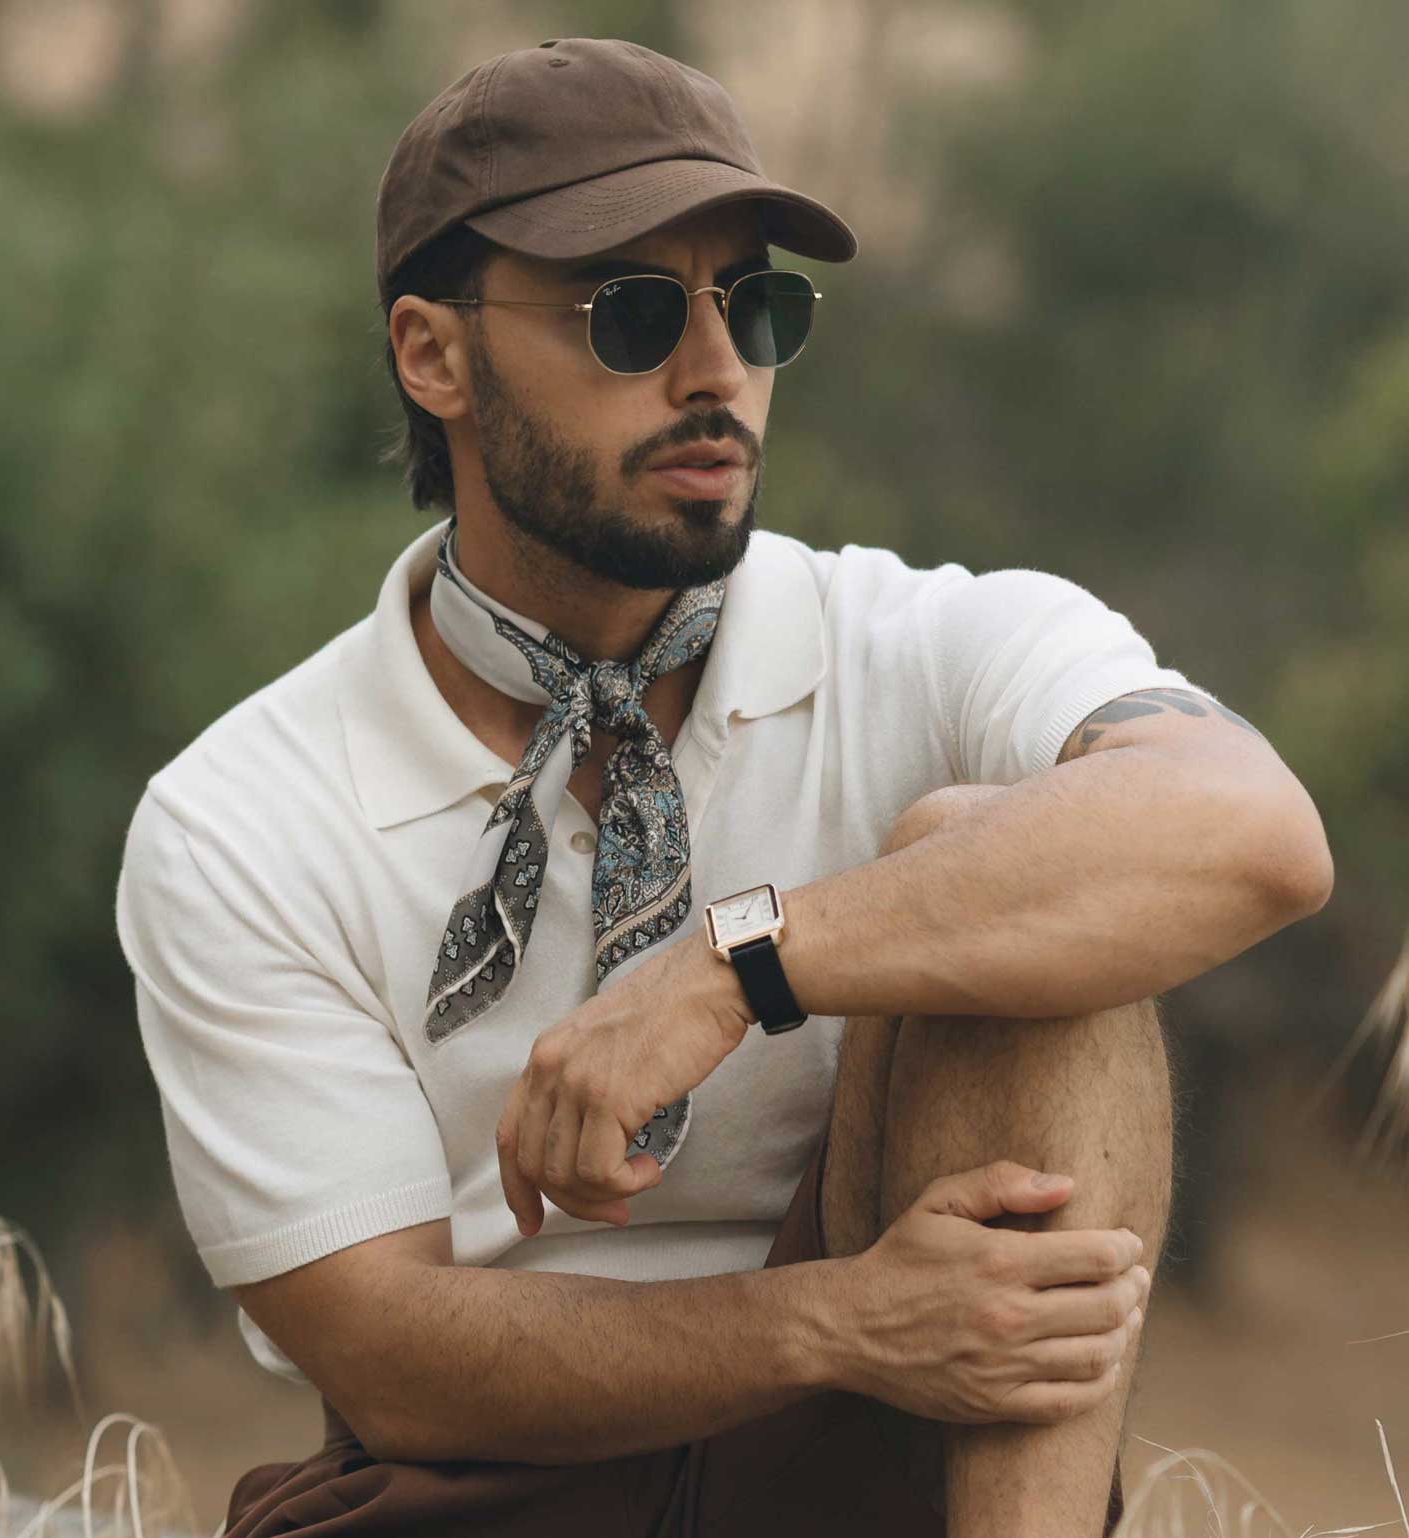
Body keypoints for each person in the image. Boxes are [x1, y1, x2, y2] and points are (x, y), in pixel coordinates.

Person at [113, 36, 1333, 1538]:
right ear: (433, 355)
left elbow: (1254, 831)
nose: (715, 375)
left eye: (755, 308)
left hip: (876, 1469)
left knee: (1007, 863)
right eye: (629, 313)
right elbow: (392, 1356)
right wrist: (846, 1323)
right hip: (478, 1486)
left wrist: (738, 962)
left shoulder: (913, 645)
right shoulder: (238, 816)